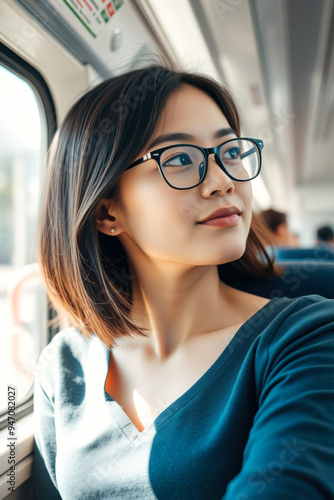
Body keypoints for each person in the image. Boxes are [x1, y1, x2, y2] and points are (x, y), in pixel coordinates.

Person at [32, 65, 334, 499]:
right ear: (107, 213)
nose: (223, 181)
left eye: (231, 152)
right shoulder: (62, 366)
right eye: (178, 159)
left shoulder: (305, 336)